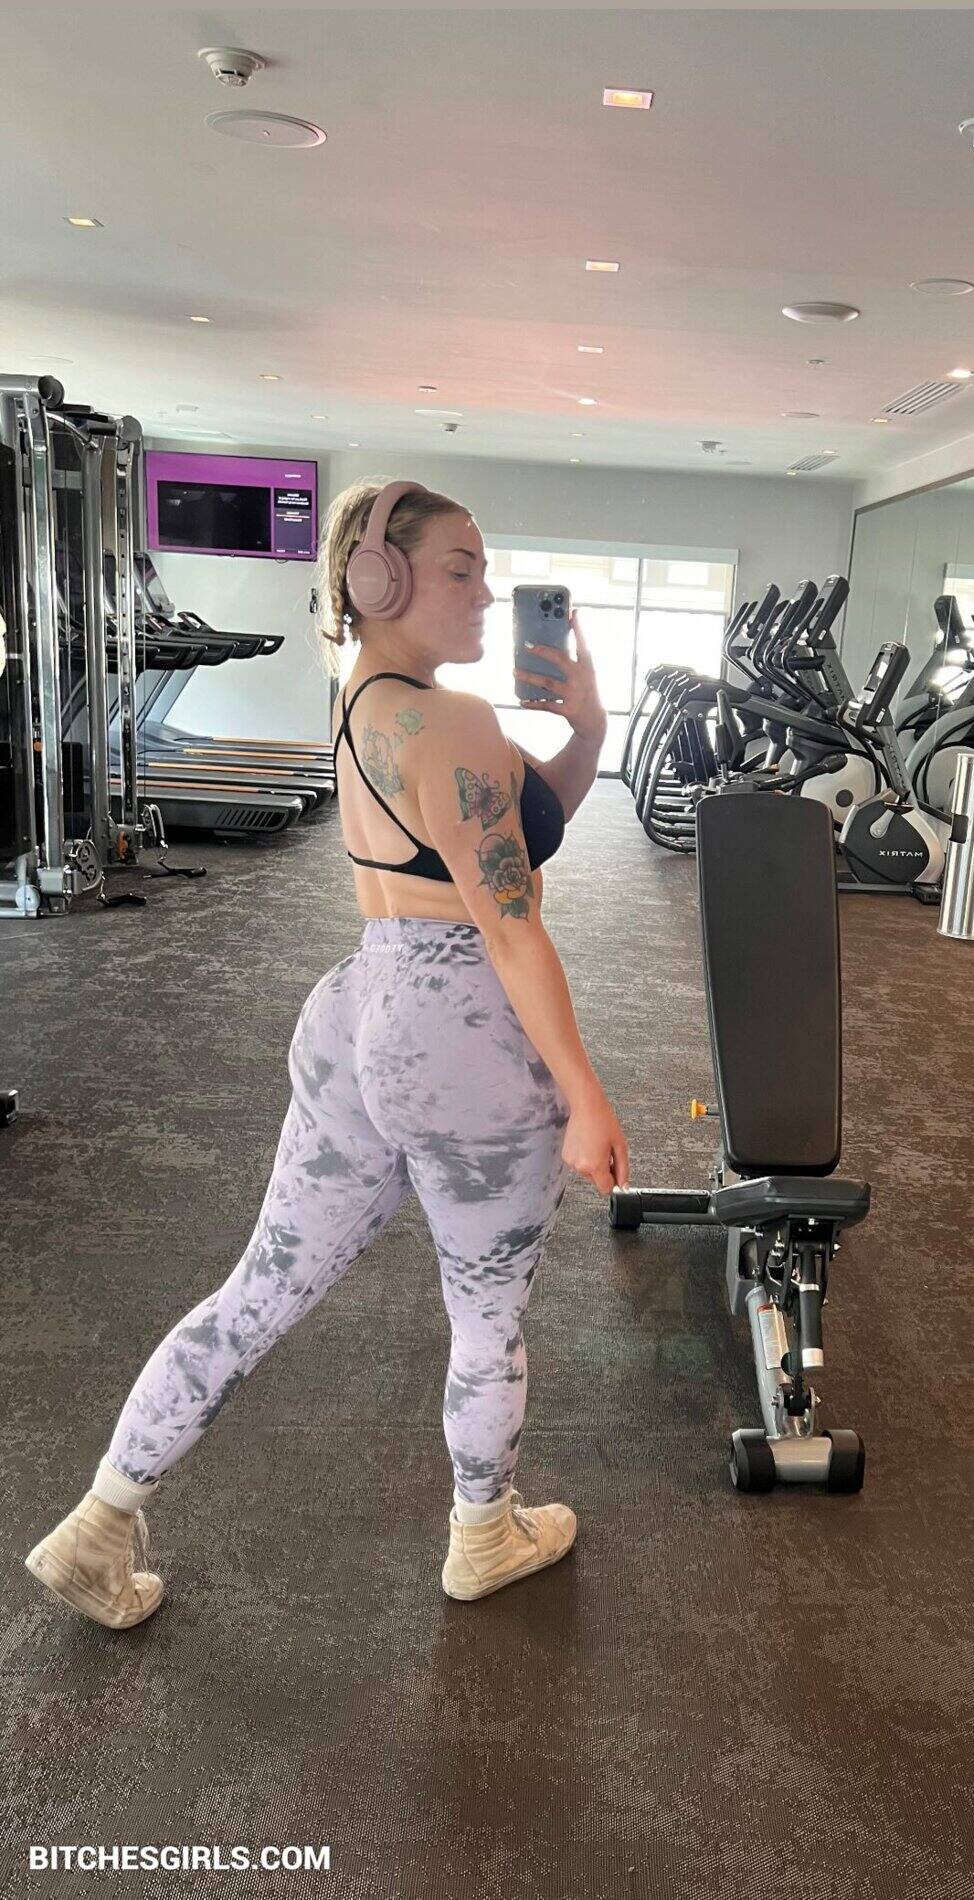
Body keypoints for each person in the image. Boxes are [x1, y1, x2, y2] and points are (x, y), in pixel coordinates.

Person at [25, 479, 630, 1623]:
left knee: (258, 1287)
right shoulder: (454, 724)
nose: (486, 593)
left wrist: (587, 728)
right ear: (378, 578)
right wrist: (585, 1092)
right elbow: (509, 924)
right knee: (487, 1316)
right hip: (462, 1033)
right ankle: (484, 1536)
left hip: (363, 1011)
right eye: (461, 569)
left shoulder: (371, 701)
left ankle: (99, 1520)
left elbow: (519, 825)